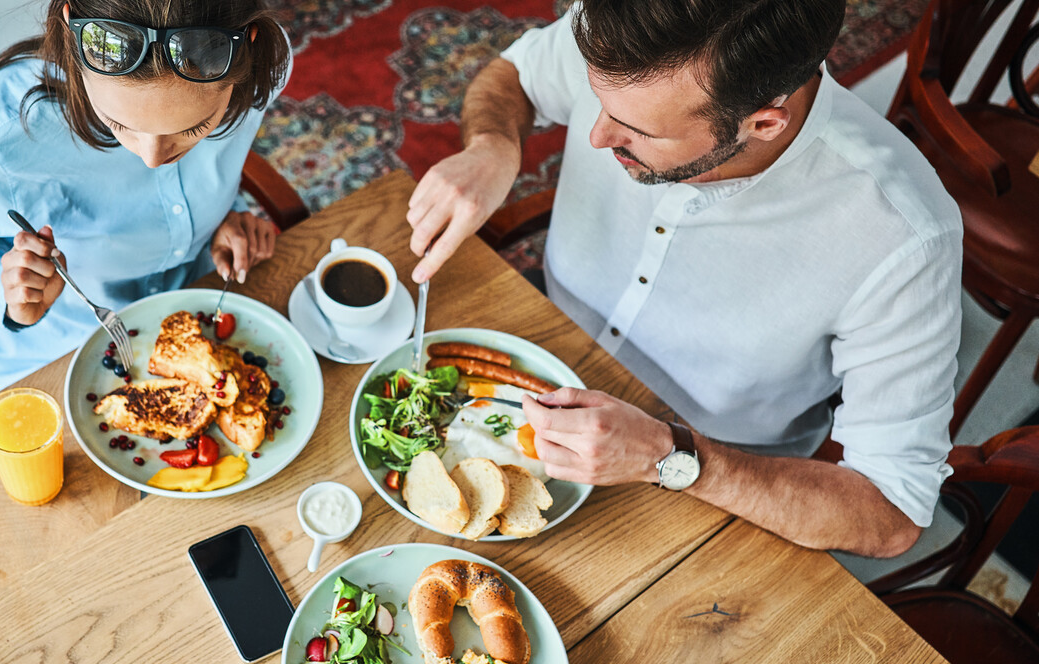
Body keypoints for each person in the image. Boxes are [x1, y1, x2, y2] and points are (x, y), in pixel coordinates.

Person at [407, 0, 961, 558]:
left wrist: (668, 456)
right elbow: (517, 74)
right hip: (536, 345)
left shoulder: (904, 237)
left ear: (763, 124)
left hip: (709, 478)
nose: (596, 136)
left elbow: (891, 515)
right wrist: (493, 144)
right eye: (598, 99)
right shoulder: (624, 38)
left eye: (635, 129)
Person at [0, 0, 291, 404]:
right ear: (72, 33)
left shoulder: (260, 67)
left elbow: (216, 167)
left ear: (248, 46)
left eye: (195, 128)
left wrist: (222, 216)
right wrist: (5, 292)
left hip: (195, 310)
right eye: (119, 124)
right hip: (45, 361)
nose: (152, 158)